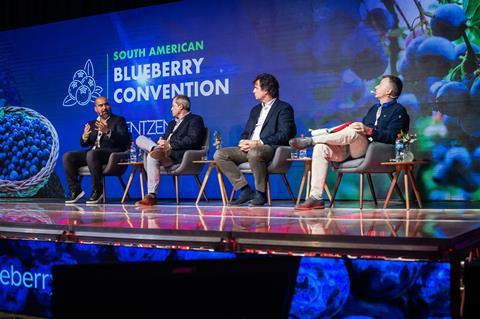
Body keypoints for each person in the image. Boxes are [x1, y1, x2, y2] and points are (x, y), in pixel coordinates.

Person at [290, 75, 410, 210]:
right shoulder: (373, 109)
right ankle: (316, 198)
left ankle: (311, 140)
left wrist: (369, 131)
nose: (376, 87)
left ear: (388, 91)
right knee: (320, 148)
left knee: (353, 131)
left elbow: (393, 137)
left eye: (380, 84)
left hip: (372, 151)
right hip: (350, 148)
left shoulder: (399, 111)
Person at [214, 73, 296, 206]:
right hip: (250, 147)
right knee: (220, 154)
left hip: (269, 148)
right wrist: (243, 141)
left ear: (266, 90)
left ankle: (260, 193)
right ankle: (245, 189)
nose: (253, 91)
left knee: (255, 152)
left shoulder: (283, 108)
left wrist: (258, 143)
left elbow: (285, 134)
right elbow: (247, 132)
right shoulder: (255, 110)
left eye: (256, 88)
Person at [135, 95, 206, 206]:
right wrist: (161, 142)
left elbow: (193, 140)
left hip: (176, 156)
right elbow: (165, 137)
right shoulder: (171, 123)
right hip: (163, 153)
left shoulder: (195, 120)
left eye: (173, 106)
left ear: (181, 107)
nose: (171, 109)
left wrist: (170, 145)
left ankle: (151, 194)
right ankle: (155, 149)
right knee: (140, 139)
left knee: (152, 156)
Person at [63, 96, 131, 204]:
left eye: (106, 104)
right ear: (95, 109)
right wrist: (85, 136)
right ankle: (75, 191)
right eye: (101, 105)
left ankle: (98, 191)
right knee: (68, 156)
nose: (104, 107)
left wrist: (108, 131)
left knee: (92, 154)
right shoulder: (91, 123)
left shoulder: (118, 120)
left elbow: (124, 140)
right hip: (93, 153)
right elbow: (84, 144)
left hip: (111, 153)